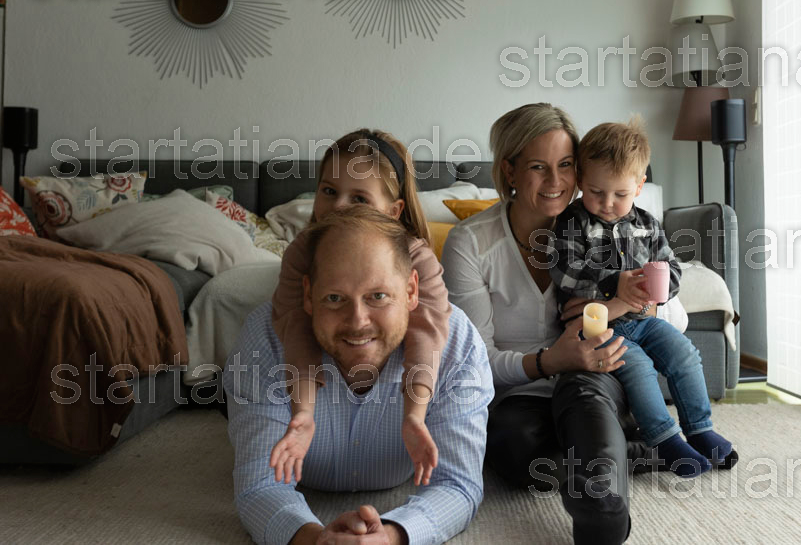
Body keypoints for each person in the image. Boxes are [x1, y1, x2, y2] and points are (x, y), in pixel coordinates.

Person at [441, 103, 663, 545]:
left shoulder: (606, 224)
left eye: (565, 165)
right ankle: (635, 450)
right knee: (511, 446)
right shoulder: (470, 243)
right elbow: (475, 363)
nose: (556, 181)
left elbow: (658, 306)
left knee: (584, 400)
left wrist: (626, 304)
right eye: (538, 167)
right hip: (523, 392)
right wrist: (550, 361)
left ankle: (602, 519)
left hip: (596, 378)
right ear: (509, 170)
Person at [224, 205, 493, 545]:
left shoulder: (457, 344)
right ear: (308, 295)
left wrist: (392, 537)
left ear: (411, 291)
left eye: (377, 296)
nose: (357, 321)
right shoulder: (264, 340)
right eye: (335, 298)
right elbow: (259, 487)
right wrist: (316, 540)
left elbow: (458, 484)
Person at [549, 119, 737, 478]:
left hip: (643, 320)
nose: (607, 204)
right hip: (597, 325)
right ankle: (664, 440)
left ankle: (700, 428)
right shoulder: (572, 222)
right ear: (580, 181)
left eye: (620, 194)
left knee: (683, 353)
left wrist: (661, 290)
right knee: (637, 367)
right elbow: (566, 270)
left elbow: (670, 265)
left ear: (639, 186)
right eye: (595, 192)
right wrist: (613, 283)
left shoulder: (647, 224)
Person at [268, 129, 451, 488]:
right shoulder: (301, 251)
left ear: (393, 212)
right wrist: (303, 412)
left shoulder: (417, 257)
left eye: (359, 198)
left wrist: (414, 415)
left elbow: (426, 333)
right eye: (329, 191)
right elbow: (296, 328)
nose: (338, 207)